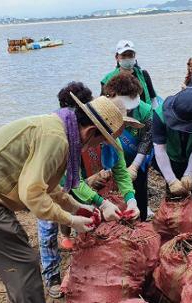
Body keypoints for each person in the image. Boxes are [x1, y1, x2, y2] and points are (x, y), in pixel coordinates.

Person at [0, 94, 134, 303]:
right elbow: (32, 194)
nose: (94, 148)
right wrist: (71, 221)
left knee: (16, 265)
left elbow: (49, 186)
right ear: (90, 131)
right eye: (99, 142)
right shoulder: (57, 140)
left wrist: (77, 207)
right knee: (24, 263)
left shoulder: (60, 127)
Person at [36, 83, 141, 298]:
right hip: (48, 184)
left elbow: (121, 172)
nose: (111, 139)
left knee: (81, 222)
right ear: (96, 130)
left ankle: (83, 270)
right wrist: (101, 202)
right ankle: (52, 276)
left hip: (83, 188)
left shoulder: (112, 140)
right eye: (108, 136)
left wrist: (131, 200)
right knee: (48, 228)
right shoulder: (71, 138)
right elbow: (73, 181)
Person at [153, 88, 192, 222]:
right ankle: (174, 227)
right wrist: (171, 180)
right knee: (173, 195)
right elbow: (159, 149)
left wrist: (189, 174)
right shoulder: (159, 115)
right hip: (171, 158)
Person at [103, 73, 155, 221]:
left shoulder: (145, 110)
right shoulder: (105, 108)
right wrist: (106, 168)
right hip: (113, 154)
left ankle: (142, 220)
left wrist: (135, 166)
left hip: (137, 156)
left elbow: (147, 140)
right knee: (110, 193)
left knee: (139, 190)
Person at [101, 40, 159, 108]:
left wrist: (153, 115)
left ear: (134, 56)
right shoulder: (108, 79)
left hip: (144, 115)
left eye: (130, 55)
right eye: (124, 55)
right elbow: (103, 102)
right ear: (117, 57)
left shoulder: (143, 75)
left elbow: (153, 98)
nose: (127, 58)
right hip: (119, 115)